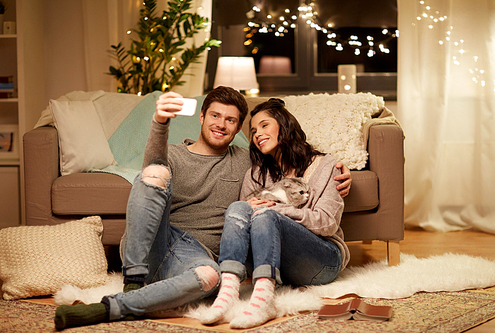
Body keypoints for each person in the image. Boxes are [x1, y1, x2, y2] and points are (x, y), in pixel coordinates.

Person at [54, 87, 352, 330]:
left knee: (212, 276)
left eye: (231, 120)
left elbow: (290, 168)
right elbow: (151, 168)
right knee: (153, 173)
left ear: (237, 130)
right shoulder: (173, 154)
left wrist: (344, 173)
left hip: (198, 258)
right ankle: (133, 282)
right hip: (162, 242)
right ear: (201, 117)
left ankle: (119, 307)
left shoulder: (249, 162)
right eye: (215, 116)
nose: (221, 124)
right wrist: (160, 122)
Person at [200, 98, 350, 329]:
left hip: (323, 260)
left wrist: (277, 210)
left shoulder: (326, 166)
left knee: (265, 214)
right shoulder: (256, 173)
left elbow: (328, 223)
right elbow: (243, 223)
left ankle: (263, 303)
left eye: (264, 125)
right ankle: (228, 293)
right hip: (280, 263)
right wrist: (250, 207)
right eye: (253, 130)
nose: (257, 134)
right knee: (239, 207)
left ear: (284, 126)